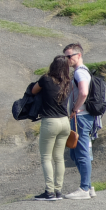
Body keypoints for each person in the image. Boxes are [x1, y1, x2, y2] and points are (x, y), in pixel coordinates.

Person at [24, 56, 76, 201]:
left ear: (53, 65)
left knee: (46, 157)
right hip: (64, 122)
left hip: (50, 122)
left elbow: (33, 91)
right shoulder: (68, 82)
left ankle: (49, 192)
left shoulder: (46, 79)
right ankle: (58, 191)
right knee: (59, 158)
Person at [63, 42, 97, 200]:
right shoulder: (83, 71)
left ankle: (84, 188)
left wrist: (75, 109)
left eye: (70, 56)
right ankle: (88, 187)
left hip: (81, 117)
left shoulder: (79, 73)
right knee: (76, 152)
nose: (67, 59)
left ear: (79, 55)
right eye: (66, 57)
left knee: (81, 152)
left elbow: (83, 92)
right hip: (84, 116)